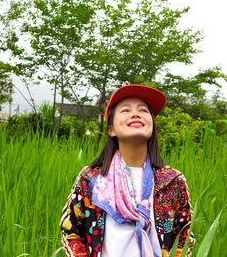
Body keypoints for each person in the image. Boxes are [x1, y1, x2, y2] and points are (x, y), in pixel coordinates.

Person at [60, 84, 194, 257]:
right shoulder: (91, 179)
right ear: (111, 129)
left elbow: (185, 237)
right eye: (125, 110)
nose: (136, 113)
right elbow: (71, 231)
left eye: (143, 110)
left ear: (152, 125)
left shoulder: (173, 181)